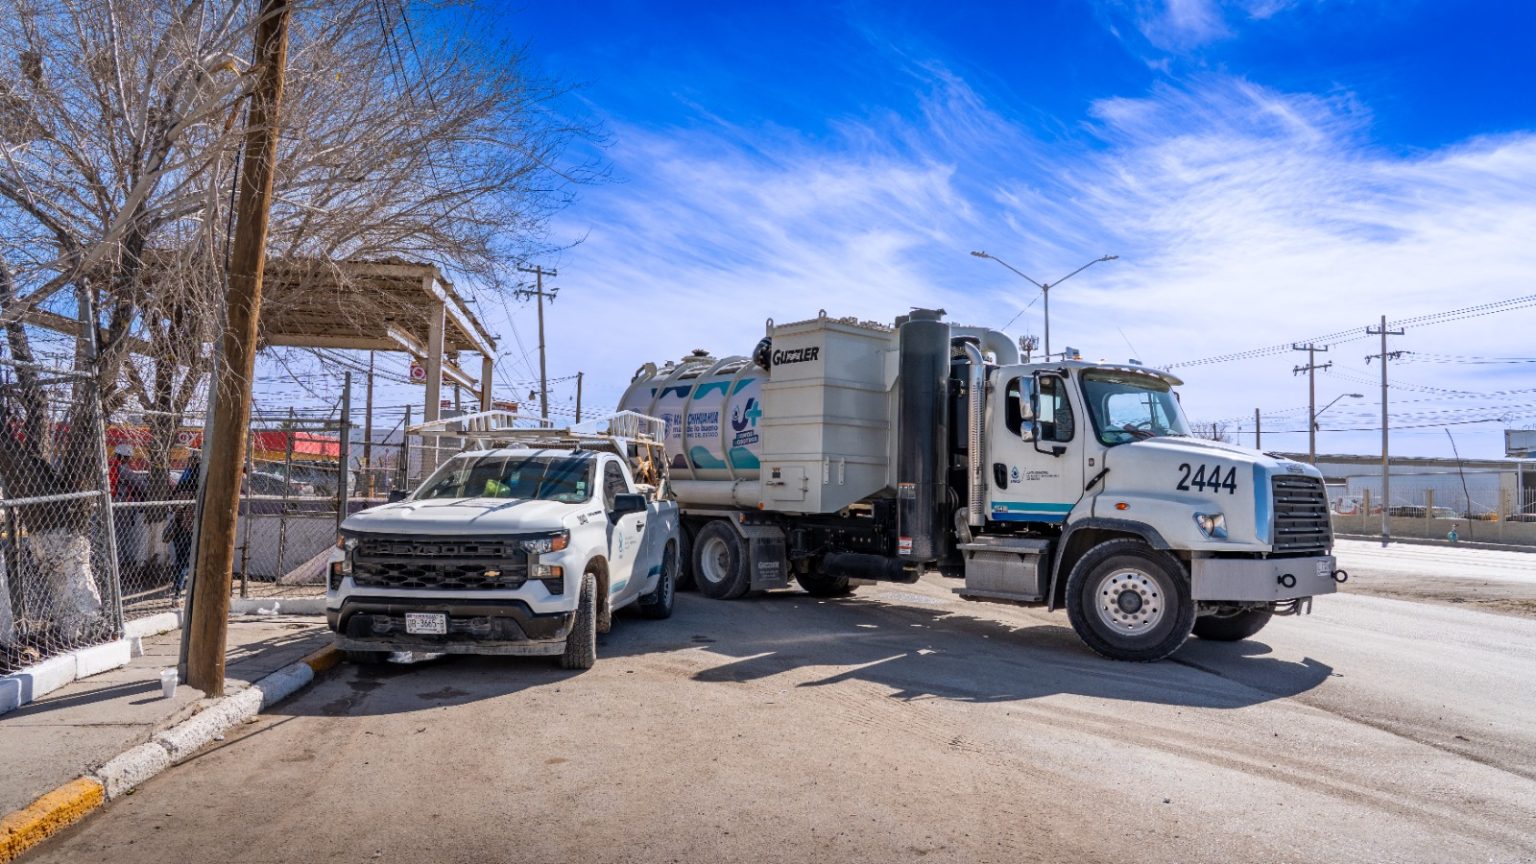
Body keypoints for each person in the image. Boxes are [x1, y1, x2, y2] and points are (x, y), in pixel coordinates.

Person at [168, 451, 201, 600]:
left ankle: (178, 588)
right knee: (185, 560)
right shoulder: (197, 490)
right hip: (191, 527)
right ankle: (179, 590)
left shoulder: (181, 485)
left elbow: (173, 504)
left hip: (179, 525)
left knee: (180, 559)